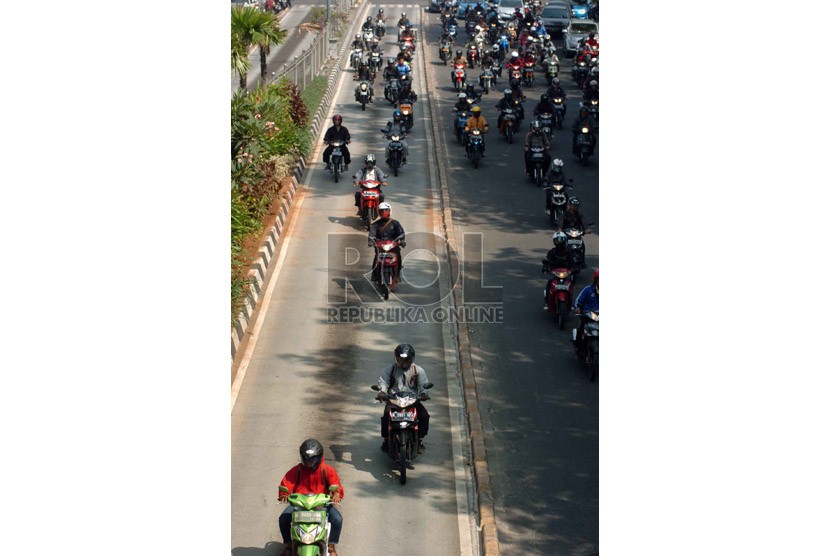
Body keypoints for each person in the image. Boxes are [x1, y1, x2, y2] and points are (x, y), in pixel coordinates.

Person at [278, 439, 344, 556]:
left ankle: (331, 546)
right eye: (307, 459)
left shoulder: (326, 470)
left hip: (321, 505)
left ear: (319, 457)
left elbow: (336, 484)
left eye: (313, 459)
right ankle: (289, 544)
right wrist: (284, 494)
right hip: (299, 504)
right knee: (283, 518)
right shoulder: (297, 470)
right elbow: (287, 483)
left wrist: (336, 494)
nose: (309, 462)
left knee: (337, 519)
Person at [376, 344, 431, 454]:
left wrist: (424, 394)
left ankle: (419, 440)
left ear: (412, 359)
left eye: (406, 360)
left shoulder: (418, 371)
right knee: (386, 416)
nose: (403, 363)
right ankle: (386, 440)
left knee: (424, 416)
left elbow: (423, 384)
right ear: (396, 358)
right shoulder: (389, 370)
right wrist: (382, 392)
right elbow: (383, 382)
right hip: (394, 400)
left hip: (412, 401)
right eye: (400, 360)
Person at [368, 202, 406, 281]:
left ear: (389, 211)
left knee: (398, 256)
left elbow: (401, 233)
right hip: (380, 245)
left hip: (393, 245)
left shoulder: (395, 223)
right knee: (376, 258)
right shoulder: (376, 224)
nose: (383, 212)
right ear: (378, 212)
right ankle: (374, 274)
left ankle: (398, 273)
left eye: (385, 210)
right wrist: (371, 241)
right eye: (381, 211)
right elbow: (372, 233)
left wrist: (402, 241)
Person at [542, 231, 570, 310]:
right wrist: (545, 266)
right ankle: (547, 301)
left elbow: (572, 261)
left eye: (561, 240)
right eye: (557, 240)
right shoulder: (552, 252)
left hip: (566, 272)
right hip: (555, 272)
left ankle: (570, 300)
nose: (559, 242)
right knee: (550, 282)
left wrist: (574, 268)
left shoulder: (569, 251)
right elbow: (547, 260)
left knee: (570, 284)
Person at [573, 269, 599, 353]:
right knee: (581, 330)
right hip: (587, 316)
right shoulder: (587, 290)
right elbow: (578, 301)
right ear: (596, 280)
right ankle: (578, 347)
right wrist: (577, 308)